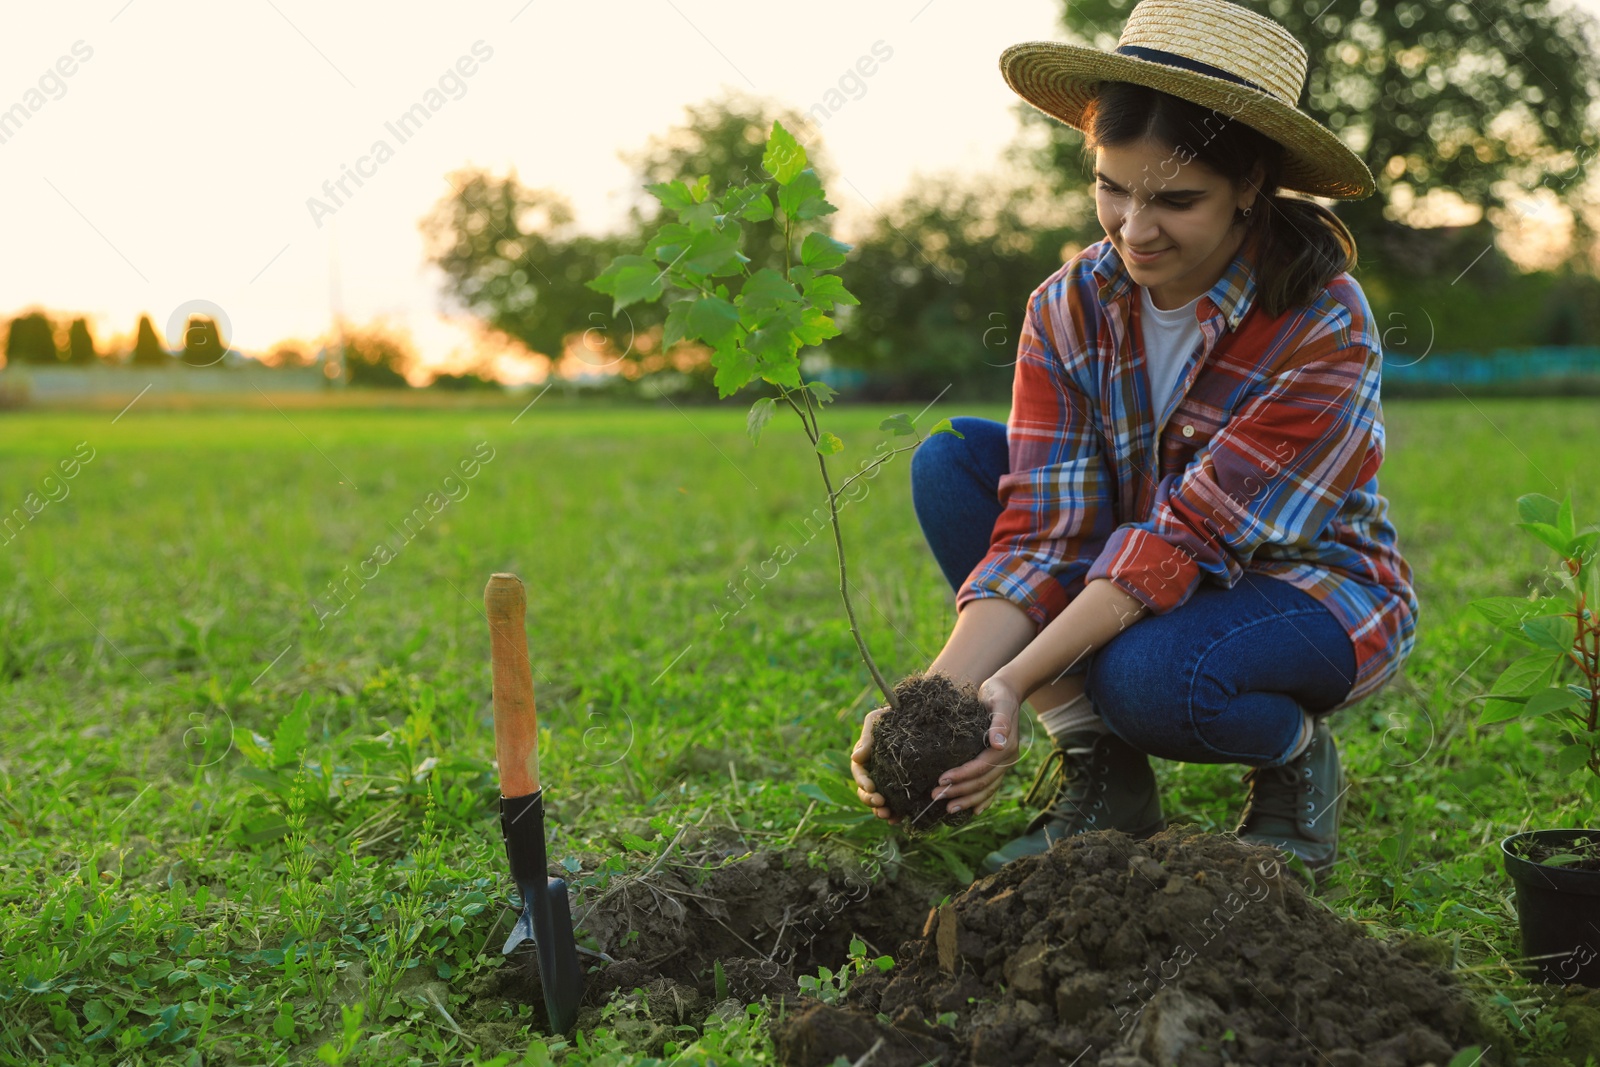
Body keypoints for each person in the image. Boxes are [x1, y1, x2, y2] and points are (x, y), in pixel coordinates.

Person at [849, 0, 1418, 883]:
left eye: (1176, 199)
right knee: (956, 463)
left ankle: (1297, 757)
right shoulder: (1069, 305)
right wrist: (939, 698)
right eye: (1113, 187)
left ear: (1251, 184)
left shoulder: (1322, 324)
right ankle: (1103, 772)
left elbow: (1184, 538)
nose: (1133, 229)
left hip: (1305, 588)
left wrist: (1013, 679)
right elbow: (1046, 531)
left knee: (1150, 681)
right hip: (1134, 562)